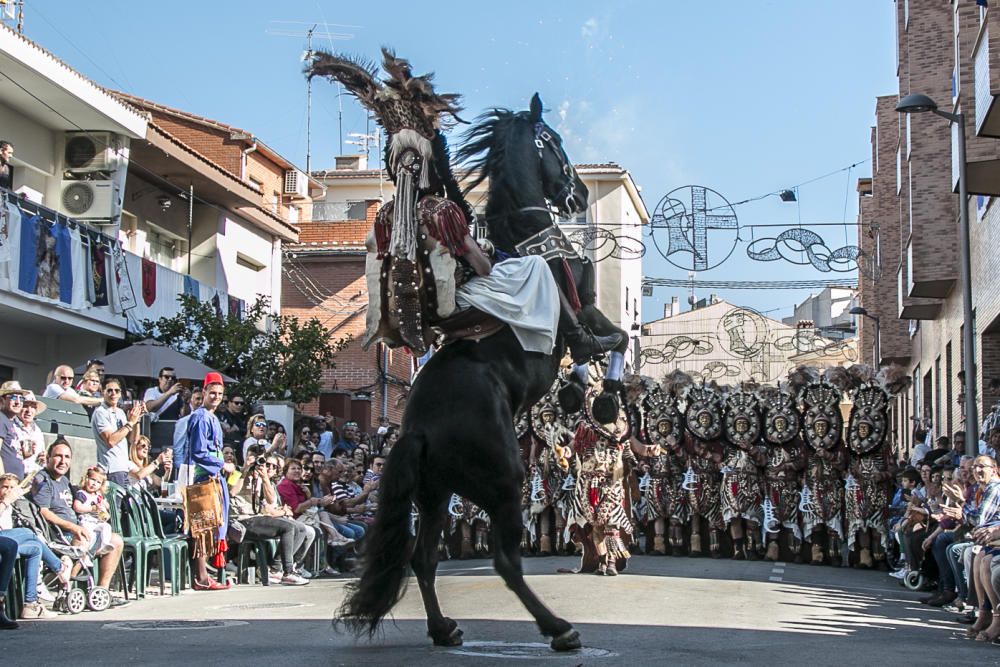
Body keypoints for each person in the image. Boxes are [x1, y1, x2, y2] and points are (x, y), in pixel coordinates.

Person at [30, 440, 125, 601]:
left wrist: (98, 507)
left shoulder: (64, 481)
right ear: (48, 457)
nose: (63, 461)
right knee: (85, 542)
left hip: (79, 528)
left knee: (116, 541)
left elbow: (81, 504)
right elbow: (44, 512)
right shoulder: (43, 480)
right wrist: (73, 527)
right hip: (60, 534)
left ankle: (102, 592)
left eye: (67, 457)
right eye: (58, 456)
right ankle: (68, 586)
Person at [186, 373, 234, 591]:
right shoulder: (200, 417)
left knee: (213, 526)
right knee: (203, 526)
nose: (215, 397)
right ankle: (201, 577)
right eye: (212, 393)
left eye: (219, 394)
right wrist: (221, 464)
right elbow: (198, 452)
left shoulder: (213, 417)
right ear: (203, 392)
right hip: (205, 476)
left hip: (215, 477)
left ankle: (205, 575)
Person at [0, 473, 72, 620]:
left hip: (8, 545)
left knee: (35, 548)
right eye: (4, 487)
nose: (8, 491)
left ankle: (30, 604)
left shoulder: (12, 505)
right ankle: (59, 568)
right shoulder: (4, 504)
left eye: (12, 488)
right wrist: (6, 502)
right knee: (27, 532)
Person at [91, 377, 143, 487]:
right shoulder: (100, 412)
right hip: (111, 469)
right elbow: (111, 440)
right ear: (102, 392)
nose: (113, 393)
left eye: (117, 391)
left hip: (124, 468)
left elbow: (133, 440)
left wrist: (137, 420)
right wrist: (130, 423)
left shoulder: (120, 413)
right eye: (109, 390)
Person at [71, 466, 115, 556]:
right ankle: (88, 555)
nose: (94, 484)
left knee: (106, 527)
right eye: (92, 480)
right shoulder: (82, 494)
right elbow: (77, 507)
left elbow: (106, 507)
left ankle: (104, 545)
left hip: (96, 521)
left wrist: (104, 507)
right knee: (89, 536)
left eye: (98, 482)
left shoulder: (98, 496)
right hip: (85, 521)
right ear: (86, 479)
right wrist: (92, 508)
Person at [172, 386, 202, 486]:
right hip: (189, 468)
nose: (200, 402)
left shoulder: (212, 420)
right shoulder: (184, 421)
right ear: (190, 401)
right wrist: (181, 471)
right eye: (197, 398)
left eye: (202, 398)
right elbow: (178, 448)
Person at [13, 391, 46, 479]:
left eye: (33, 407)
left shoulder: (37, 431)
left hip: (34, 479)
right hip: (15, 478)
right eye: (25, 406)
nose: (29, 411)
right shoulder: (11, 427)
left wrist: (43, 459)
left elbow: (41, 457)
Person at [0, 381, 27, 480]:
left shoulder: (11, 422)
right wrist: (3, 481)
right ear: (2, 400)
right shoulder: (1, 419)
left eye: (21, 398)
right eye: (13, 397)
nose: (18, 402)